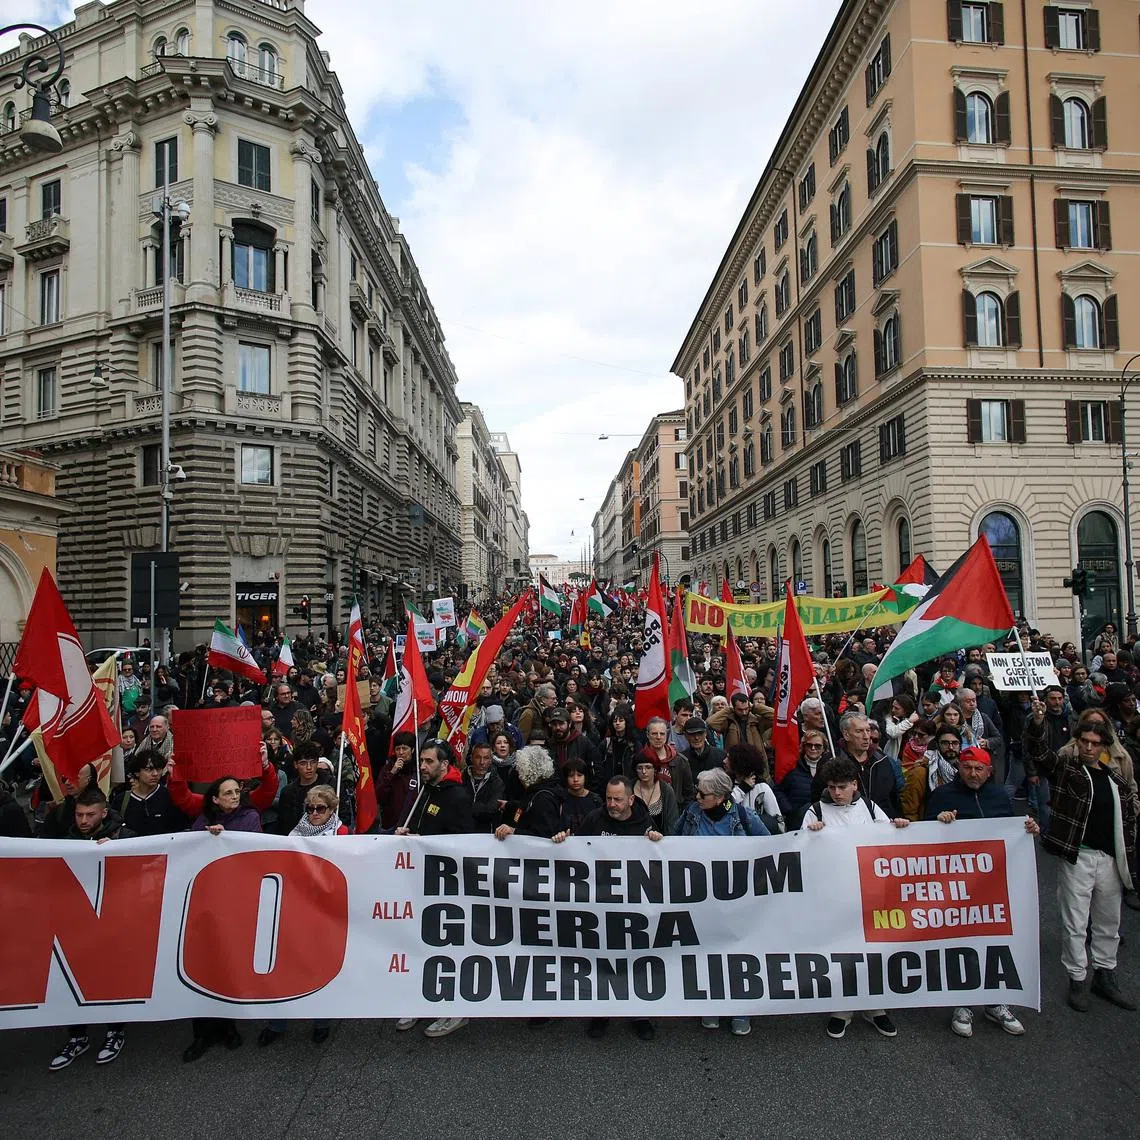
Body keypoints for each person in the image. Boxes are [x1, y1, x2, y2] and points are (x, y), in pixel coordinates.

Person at [1024, 713, 1137, 1012]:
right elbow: (1039, 753)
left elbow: (1126, 822)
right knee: (1076, 920)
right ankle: (1077, 977)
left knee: (1108, 921)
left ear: (1104, 746)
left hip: (1110, 859)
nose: (1088, 748)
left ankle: (1105, 973)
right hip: (1079, 856)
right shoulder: (1067, 771)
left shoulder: (1116, 781)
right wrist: (1037, 723)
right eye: (1083, 742)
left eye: (1094, 743)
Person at [927, 747, 1039, 1038]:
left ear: (989, 772)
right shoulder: (942, 796)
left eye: (979, 769)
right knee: (961, 943)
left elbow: (1012, 832)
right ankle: (962, 1003)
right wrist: (938, 822)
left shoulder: (1000, 796)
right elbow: (923, 837)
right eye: (968, 768)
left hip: (994, 884)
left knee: (995, 940)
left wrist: (1028, 828)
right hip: (956, 884)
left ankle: (994, 1002)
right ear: (959, 769)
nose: (973, 774)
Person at [801, 756, 908, 1040]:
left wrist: (897, 826)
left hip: (871, 891)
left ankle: (875, 1007)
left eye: (842, 787)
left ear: (854, 785)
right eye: (832, 787)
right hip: (834, 894)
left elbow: (891, 842)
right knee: (843, 951)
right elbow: (801, 853)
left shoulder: (871, 808)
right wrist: (810, 836)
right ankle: (841, 1009)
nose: (836, 792)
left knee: (874, 949)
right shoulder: (815, 811)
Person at [670, 766, 769, 1037]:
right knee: (707, 950)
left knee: (737, 952)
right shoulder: (692, 814)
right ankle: (711, 1002)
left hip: (736, 899)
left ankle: (740, 1008)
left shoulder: (743, 817)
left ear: (719, 796)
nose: (697, 798)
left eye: (702, 794)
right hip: (700, 899)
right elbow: (673, 842)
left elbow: (770, 849)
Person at [563, 775, 661, 1042]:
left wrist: (656, 841)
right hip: (601, 903)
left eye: (618, 799)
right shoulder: (595, 819)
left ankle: (640, 1014)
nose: (612, 804)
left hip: (633, 905)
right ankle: (601, 1012)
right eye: (608, 798)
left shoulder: (645, 822)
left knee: (634, 960)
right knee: (603, 959)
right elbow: (575, 849)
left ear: (631, 799)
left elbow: (660, 860)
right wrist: (563, 840)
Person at [47, 787, 133, 1070]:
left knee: (110, 977)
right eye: (79, 814)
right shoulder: (67, 839)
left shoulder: (124, 836)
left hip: (111, 918)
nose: (83, 820)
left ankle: (114, 1030)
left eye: (89, 815)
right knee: (71, 977)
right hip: (75, 920)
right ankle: (77, 1035)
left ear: (104, 813)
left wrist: (118, 851)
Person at [258, 785, 346, 1048]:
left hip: (325, 911)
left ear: (332, 809)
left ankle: (321, 1022)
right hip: (295, 907)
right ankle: (277, 1022)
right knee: (286, 966)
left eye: (321, 808)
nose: (315, 813)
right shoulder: (295, 833)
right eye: (311, 808)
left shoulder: (341, 833)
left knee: (318, 967)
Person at [396, 740, 474, 839]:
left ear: (444, 764)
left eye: (429, 761)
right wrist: (406, 833)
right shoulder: (425, 789)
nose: (422, 766)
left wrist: (424, 840)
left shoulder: (458, 796)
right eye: (421, 760)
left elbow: (463, 839)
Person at [836, 712, 899, 817]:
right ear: (846, 735)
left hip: (882, 823)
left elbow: (893, 797)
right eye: (859, 731)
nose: (866, 736)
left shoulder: (882, 760)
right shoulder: (833, 762)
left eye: (868, 730)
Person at [112, 752, 189, 836]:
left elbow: (182, 828)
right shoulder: (121, 800)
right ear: (137, 772)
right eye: (148, 769)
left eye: (158, 769)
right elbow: (112, 828)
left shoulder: (169, 796)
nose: (155, 774)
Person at [902, 725, 961, 822]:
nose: (950, 747)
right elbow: (910, 810)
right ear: (937, 745)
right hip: (930, 826)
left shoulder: (964, 770)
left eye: (955, 743)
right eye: (945, 743)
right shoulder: (921, 772)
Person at [707, 691, 772, 774]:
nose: (744, 712)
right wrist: (728, 709)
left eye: (746, 709)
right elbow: (710, 723)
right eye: (740, 710)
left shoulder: (756, 720)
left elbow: (775, 716)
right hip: (736, 766)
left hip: (756, 765)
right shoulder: (728, 722)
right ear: (734, 708)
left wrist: (755, 707)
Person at [275, 742, 334, 835]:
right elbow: (283, 825)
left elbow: (343, 814)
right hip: (296, 841)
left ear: (317, 762)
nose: (309, 767)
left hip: (327, 838)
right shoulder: (288, 792)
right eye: (303, 763)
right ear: (295, 764)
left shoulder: (331, 784)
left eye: (313, 762)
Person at [637, 717, 695, 804]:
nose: (658, 737)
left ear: (666, 735)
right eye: (654, 734)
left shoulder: (680, 761)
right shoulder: (638, 759)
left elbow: (689, 794)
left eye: (662, 734)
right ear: (648, 735)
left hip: (673, 811)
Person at [727, 744, 784, 832]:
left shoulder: (762, 787)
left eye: (728, 758)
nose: (724, 761)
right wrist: (741, 790)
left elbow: (778, 820)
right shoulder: (726, 784)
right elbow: (726, 808)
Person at [780, 730, 829, 830]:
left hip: (823, 820)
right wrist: (789, 810)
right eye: (809, 745)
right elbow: (779, 790)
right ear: (803, 747)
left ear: (824, 748)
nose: (813, 748)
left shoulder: (830, 768)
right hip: (797, 821)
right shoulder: (792, 767)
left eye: (818, 746)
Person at [378, 732, 418, 830]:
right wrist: (392, 774)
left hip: (412, 824)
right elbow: (380, 796)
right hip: (391, 825)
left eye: (404, 748)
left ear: (412, 750)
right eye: (397, 749)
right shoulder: (387, 769)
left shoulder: (419, 770)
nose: (400, 752)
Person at [631, 756, 680, 836]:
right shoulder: (629, 788)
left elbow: (672, 823)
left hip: (661, 842)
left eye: (648, 767)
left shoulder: (666, 790)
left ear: (655, 769)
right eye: (640, 768)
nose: (644, 771)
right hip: (633, 841)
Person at [463, 741, 505, 833]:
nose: (482, 762)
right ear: (471, 758)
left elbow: (491, 809)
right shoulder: (461, 778)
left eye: (486, 758)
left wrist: (465, 807)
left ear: (491, 760)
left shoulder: (497, 783)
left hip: (485, 834)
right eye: (478, 757)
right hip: (461, 832)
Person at [557, 756, 603, 833]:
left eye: (579, 775)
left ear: (585, 776)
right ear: (566, 778)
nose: (575, 779)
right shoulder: (560, 798)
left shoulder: (595, 800)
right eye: (571, 776)